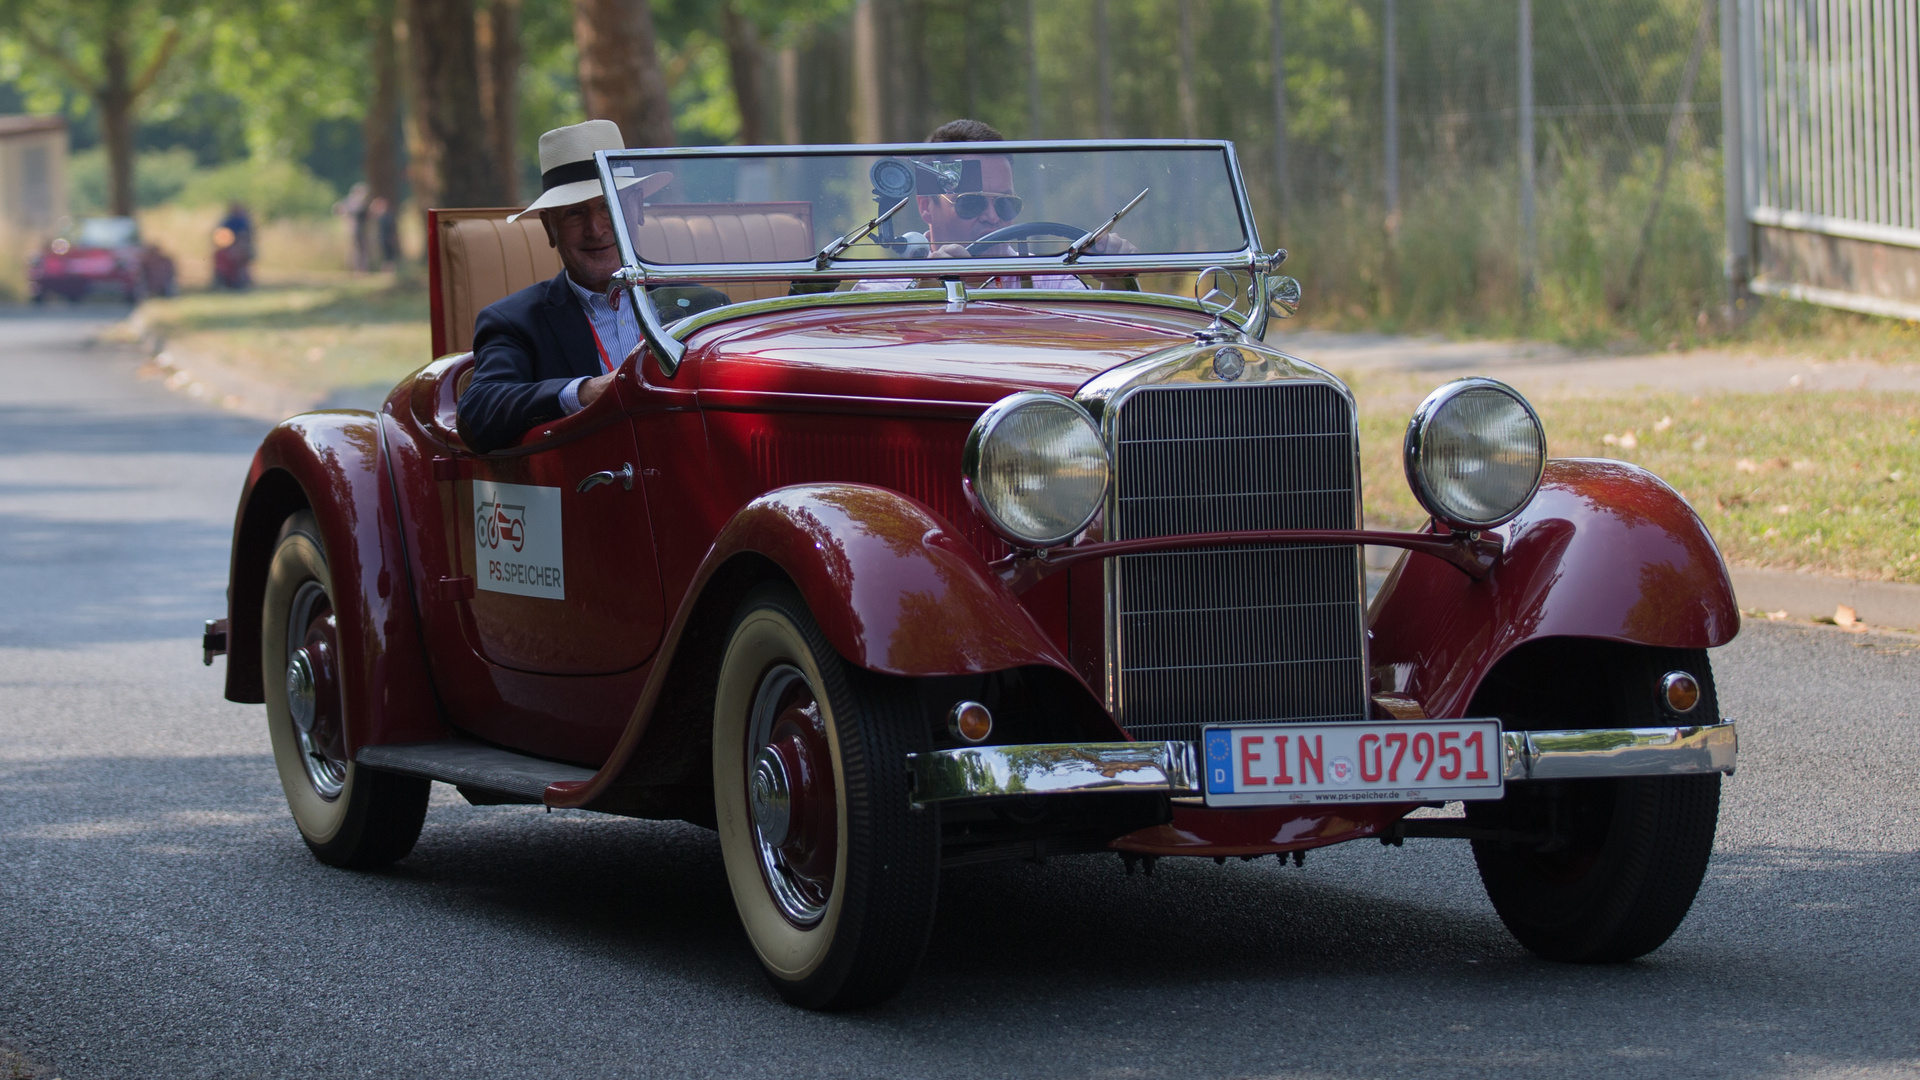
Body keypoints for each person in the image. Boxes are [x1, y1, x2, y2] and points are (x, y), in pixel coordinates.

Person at [457, 119, 727, 454]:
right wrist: (584, 393)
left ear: (637, 210)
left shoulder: (705, 306)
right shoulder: (515, 322)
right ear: (549, 228)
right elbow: (478, 413)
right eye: (574, 213)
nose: (596, 228)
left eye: (608, 207)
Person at [854, 119, 1132, 291]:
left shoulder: (1048, 280)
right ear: (926, 206)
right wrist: (924, 297)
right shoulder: (886, 288)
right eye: (972, 203)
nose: (992, 217)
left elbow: (1099, 347)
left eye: (1005, 205)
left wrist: (1117, 282)